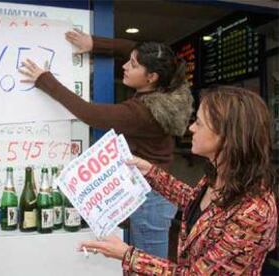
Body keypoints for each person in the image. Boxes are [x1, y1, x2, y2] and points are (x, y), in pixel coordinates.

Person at [20, 30, 194, 258]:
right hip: (151, 191)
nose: (125, 66)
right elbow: (131, 47)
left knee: (150, 265)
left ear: (151, 77)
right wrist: (93, 43)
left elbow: (90, 114)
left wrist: (45, 79)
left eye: (133, 65)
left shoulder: (144, 112)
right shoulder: (169, 88)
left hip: (151, 199)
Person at [79, 86, 278, 275]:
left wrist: (127, 256)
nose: (191, 128)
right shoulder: (219, 175)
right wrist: (150, 172)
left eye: (199, 123)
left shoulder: (254, 212)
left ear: (226, 135)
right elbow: (195, 203)